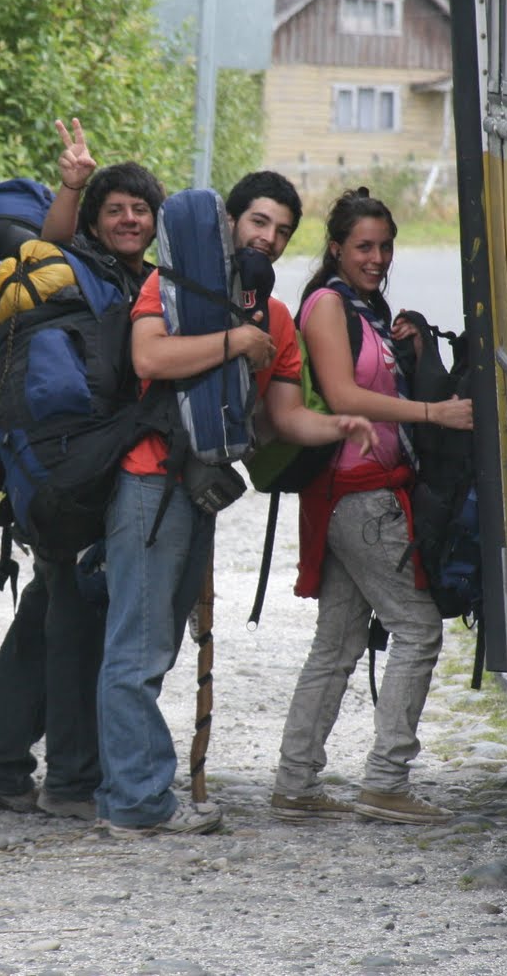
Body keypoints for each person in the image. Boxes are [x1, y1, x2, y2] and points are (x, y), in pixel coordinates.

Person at [97, 170, 379, 836]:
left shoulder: (276, 317)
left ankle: (128, 791)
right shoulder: (170, 284)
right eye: (259, 222)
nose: (269, 239)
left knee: (155, 645)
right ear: (229, 222)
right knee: (137, 649)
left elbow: (283, 417)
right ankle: (137, 801)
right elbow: (148, 358)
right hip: (147, 481)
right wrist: (234, 342)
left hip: (197, 492)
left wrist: (337, 425)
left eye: (282, 231)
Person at [0, 119, 165, 820]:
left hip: (54, 468)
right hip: (72, 470)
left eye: (141, 209)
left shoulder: (140, 282)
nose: (130, 218)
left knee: (49, 607)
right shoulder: (80, 273)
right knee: (78, 615)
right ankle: (73, 781)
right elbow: (51, 244)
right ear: (96, 227)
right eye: (116, 210)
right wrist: (73, 186)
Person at [270, 187, 474, 827]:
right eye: (364, 246)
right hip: (357, 493)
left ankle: (295, 783)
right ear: (335, 248)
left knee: (336, 644)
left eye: (385, 246)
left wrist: (404, 342)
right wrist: (432, 411)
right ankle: (386, 781)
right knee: (417, 629)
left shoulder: (367, 308)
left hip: (354, 492)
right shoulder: (328, 305)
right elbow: (340, 393)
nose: (378, 257)